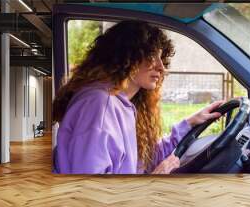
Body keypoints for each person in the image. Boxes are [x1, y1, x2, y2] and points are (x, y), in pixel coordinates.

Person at [52, 20, 223, 174]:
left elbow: (144, 160)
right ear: (126, 57)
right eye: (151, 56)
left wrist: (190, 123)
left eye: (161, 57)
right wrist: (155, 180)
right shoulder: (99, 106)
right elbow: (89, 197)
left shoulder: (122, 104)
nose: (161, 67)